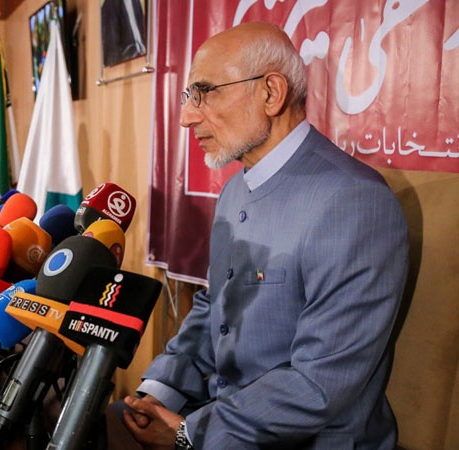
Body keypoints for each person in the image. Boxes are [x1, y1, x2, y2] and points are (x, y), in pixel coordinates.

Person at [117, 22, 409, 449]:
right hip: (227, 422)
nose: (186, 117)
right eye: (188, 96)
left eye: (205, 92)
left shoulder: (354, 202)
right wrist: (160, 393)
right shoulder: (236, 188)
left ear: (271, 93)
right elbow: (214, 305)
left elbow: (319, 384)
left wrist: (189, 435)